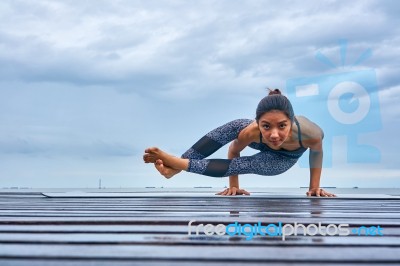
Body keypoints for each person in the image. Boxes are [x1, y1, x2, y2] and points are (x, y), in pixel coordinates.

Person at [143, 89, 336, 197]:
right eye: (266, 126)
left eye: (282, 126)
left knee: (254, 163)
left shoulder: (311, 133)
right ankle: (174, 168)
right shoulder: (251, 130)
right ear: (258, 122)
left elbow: (316, 153)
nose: (275, 134)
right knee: (235, 126)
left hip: (282, 158)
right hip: (257, 141)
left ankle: (175, 164)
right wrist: (233, 185)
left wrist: (314, 188)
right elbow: (234, 150)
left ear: (291, 121)